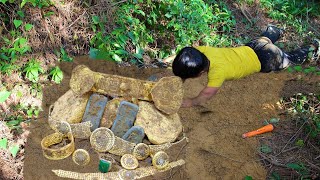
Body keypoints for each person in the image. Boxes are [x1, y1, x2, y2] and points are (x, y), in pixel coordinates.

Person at [171, 25, 320, 108]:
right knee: (265, 39)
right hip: (252, 47)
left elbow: (207, 94)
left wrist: (191, 102)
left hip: (266, 59)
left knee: (290, 59)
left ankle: (313, 48)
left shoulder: (217, 73)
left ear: (200, 73)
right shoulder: (202, 51)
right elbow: (188, 53)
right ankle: (276, 30)